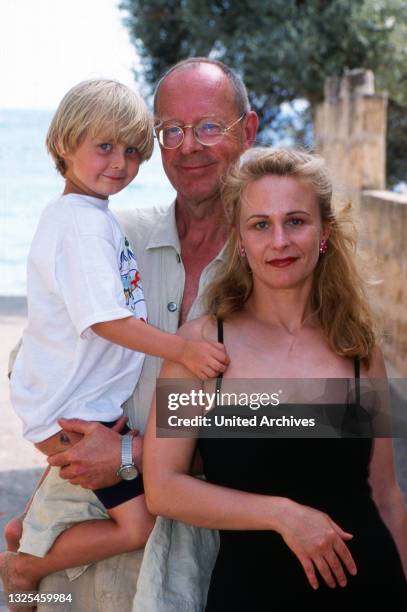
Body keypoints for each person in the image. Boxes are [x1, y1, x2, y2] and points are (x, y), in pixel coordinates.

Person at [3, 60, 259, 610]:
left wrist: (134, 453)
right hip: (86, 562)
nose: (188, 146)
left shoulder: (279, 254)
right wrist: (63, 457)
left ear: (250, 132)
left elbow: (330, 415)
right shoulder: (115, 231)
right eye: (170, 131)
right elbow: (35, 353)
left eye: (210, 127)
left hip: (213, 560)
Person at [143, 148, 407, 610]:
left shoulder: (358, 349)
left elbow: (385, 496)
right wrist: (281, 514)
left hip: (371, 590)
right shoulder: (202, 347)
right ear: (240, 240)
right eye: (260, 224)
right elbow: (163, 488)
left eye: (296, 221)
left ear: (325, 231)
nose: (279, 240)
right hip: (251, 596)